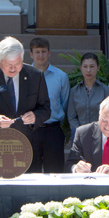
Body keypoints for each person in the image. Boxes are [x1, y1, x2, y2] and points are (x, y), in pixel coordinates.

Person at [0, 36, 51, 171]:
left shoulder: (35, 76)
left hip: (24, 149)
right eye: (8, 64)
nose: (13, 68)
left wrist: (35, 116)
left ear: (23, 59)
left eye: (17, 64)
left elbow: (45, 109)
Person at [28, 37, 70, 173]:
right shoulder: (24, 75)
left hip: (53, 131)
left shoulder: (61, 76)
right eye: (37, 52)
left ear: (49, 53)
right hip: (30, 130)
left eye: (43, 51)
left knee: (55, 173)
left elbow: (64, 103)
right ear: (31, 54)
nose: (40, 55)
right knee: (30, 173)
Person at [67, 52, 109, 141]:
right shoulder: (74, 91)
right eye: (85, 66)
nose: (88, 70)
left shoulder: (105, 91)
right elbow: (71, 116)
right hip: (79, 135)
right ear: (81, 68)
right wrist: (79, 131)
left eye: (92, 66)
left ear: (98, 68)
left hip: (101, 135)